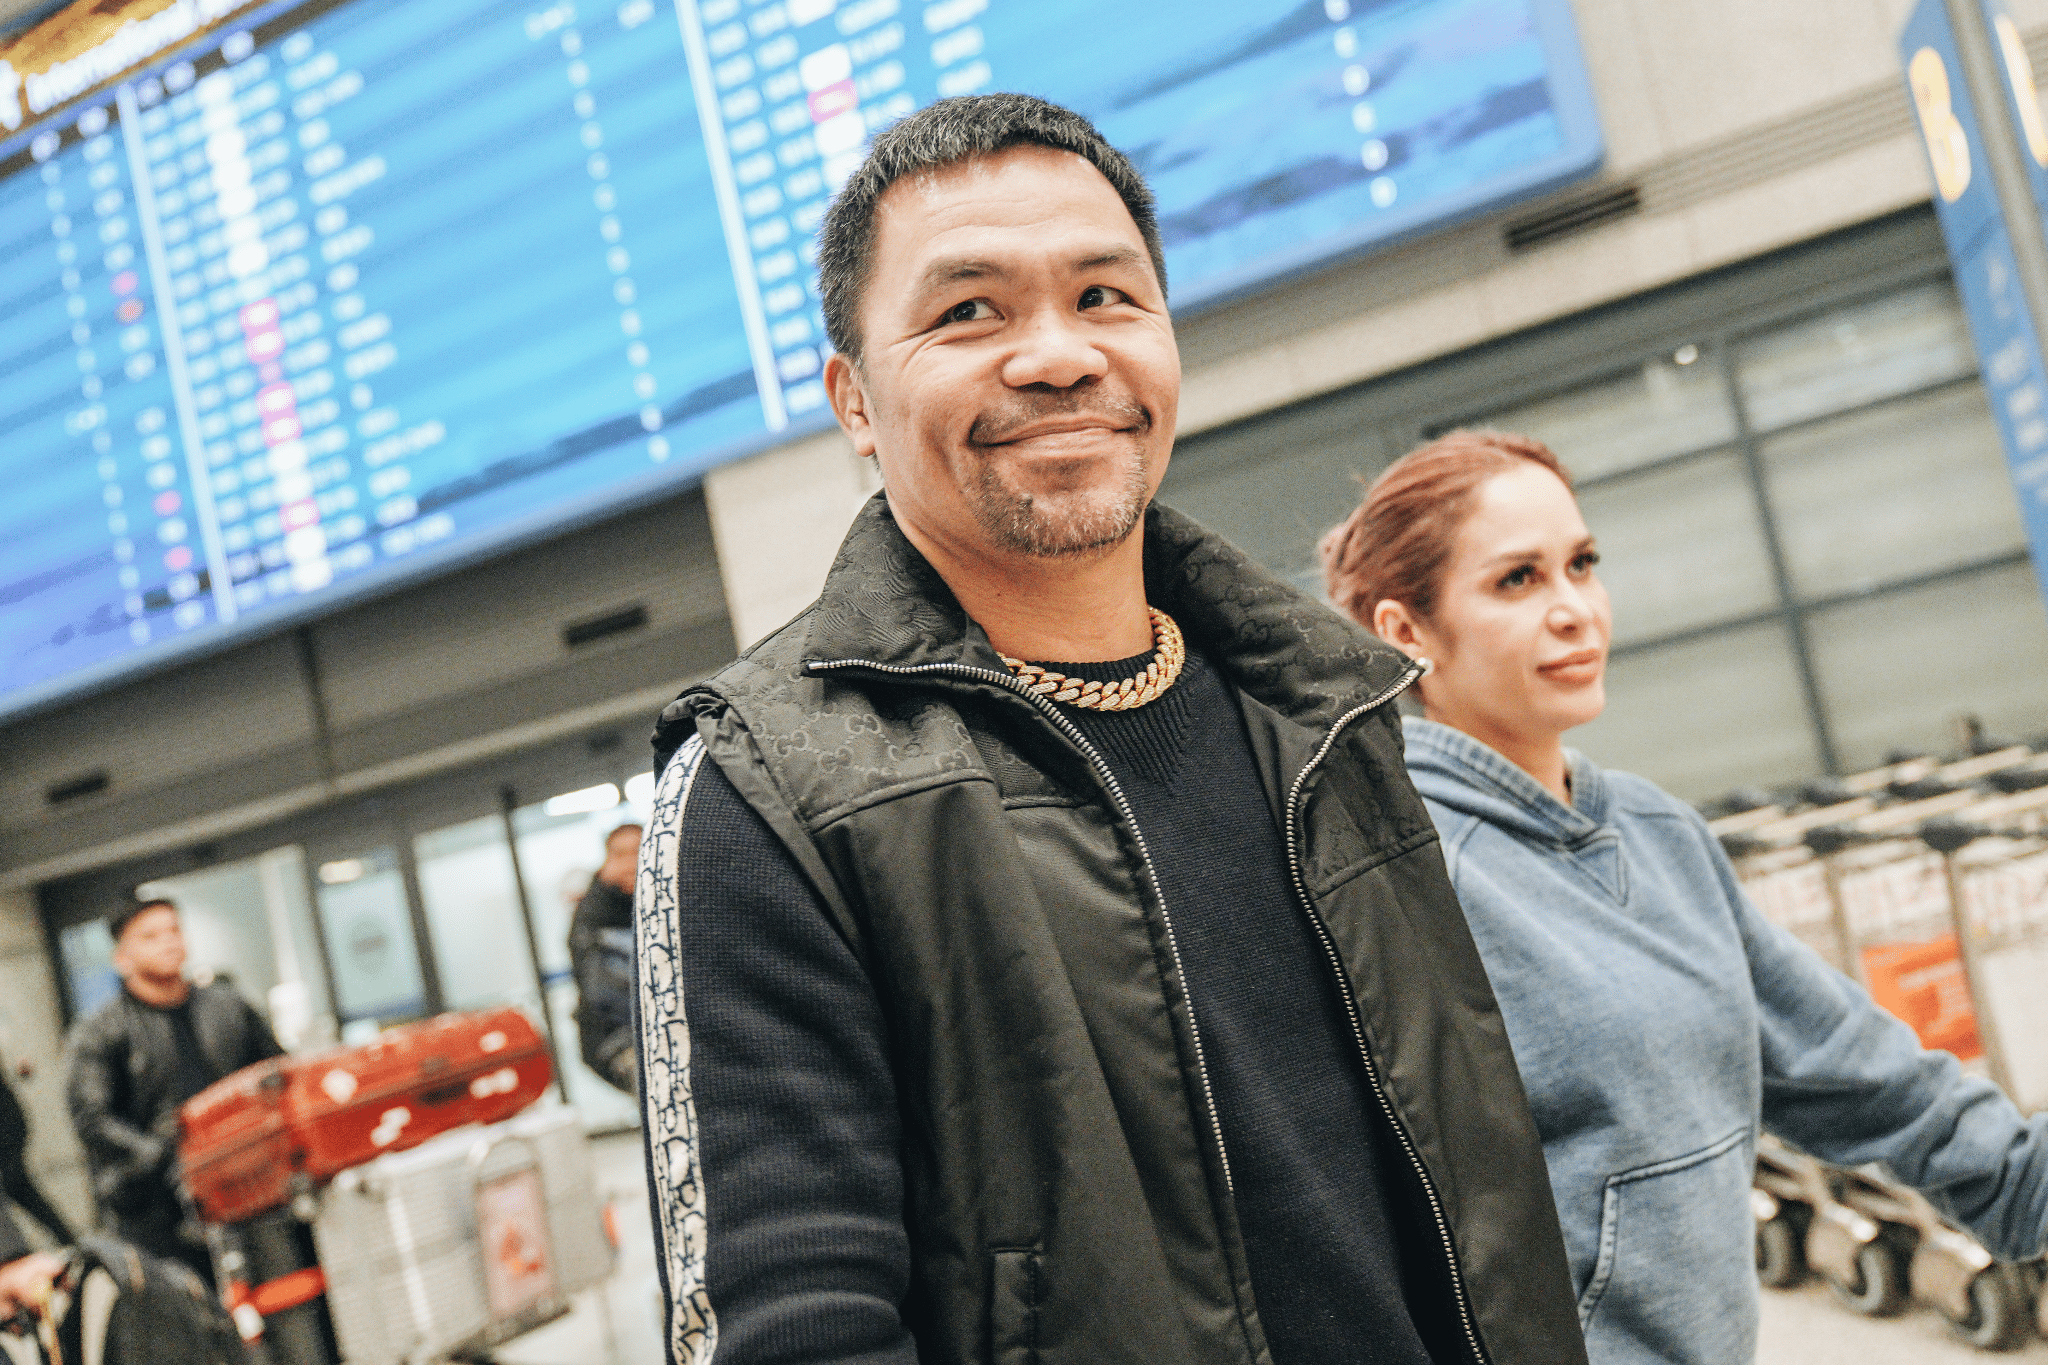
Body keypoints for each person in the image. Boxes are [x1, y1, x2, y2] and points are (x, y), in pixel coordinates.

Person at [633, 94, 1587, 1365]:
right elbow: (788, 1322)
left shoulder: (1322, 712)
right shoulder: (768, 793)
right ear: (854, 402)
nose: (1057, 356)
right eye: (968, 310)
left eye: (1104, 297)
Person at [1319, 429, 2048, 1364]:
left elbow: (1856, 1070)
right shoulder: (1409, 877)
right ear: (1406, 632)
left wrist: (2021, 1179)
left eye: (1583, 565)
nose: (1575, 609)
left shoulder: (1657, 833)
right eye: (1518, 581)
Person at [65, 899, 281, 1286]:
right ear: (121, 958)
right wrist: (161, 1155)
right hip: (156, 1208)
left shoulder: (229, 1007)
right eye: (150, 936)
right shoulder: (100, 1032)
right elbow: (92, 1120)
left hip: (249, 1186)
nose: (168, 942)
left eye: (174, 930)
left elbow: (277, 1075)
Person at [568, 822, 642, 1092]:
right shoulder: (594, 916)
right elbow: (602, 991)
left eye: (639, 851)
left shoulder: (671, 897)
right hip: (619, 1042)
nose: (632, 863)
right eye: (621, 855)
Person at [0, 1053, 73, 1249]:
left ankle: (66, 1243)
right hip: (10, 1128)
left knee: (21, 1191)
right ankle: (68, 1242)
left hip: (7, 1130)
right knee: (24, 1193)